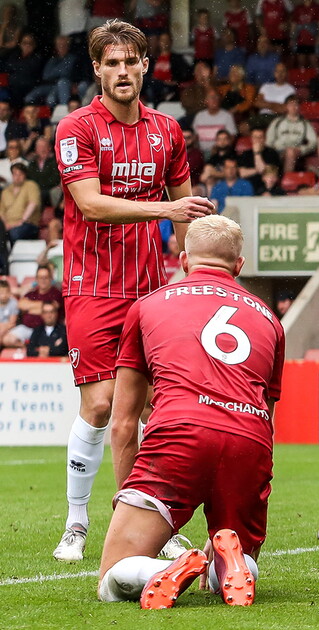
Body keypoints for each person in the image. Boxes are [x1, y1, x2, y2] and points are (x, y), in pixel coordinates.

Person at [51, 19, 216, 563]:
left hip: (150, 292)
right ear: (97, 70)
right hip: (93, 287)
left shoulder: (167, 131)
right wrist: (166, 208)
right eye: (112, 63)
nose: (122, 71)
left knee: (152, 409)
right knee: (100, 404)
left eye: (131, 62)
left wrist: (195, 276)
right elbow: (92, 205)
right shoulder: (76, 127)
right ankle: (76, 523)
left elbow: (188, 214)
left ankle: (145, 529)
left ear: (146, 66)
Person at [97, 214, 284, 609]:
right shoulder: (271, 320)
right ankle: (231, 564)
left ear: (184, 260)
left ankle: (162, 568)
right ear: (239, 265)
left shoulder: (147, 306)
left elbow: (124, 423)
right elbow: (265, 421)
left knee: (112, 577)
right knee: (234, 563)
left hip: (179, 433)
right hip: (248, 440)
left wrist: (130, 497)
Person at [2, 264, 63, 348]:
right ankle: (29, 349)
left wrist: (30, 307)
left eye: (45, 277)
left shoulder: (56, 293)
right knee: (7, 339)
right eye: (40, 277)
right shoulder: (32, 293)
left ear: (51, 278)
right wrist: (41, 307)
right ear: (36, 279)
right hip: (27, 328)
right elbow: (21, 304)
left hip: (46, 329)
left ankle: (33, 350)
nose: (43, 280)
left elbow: (51, 307)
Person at [266, 95, 318, 174]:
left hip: (295, 151)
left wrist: (302, 149)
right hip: (277, 151)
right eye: (291, 104)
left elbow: (313, 142)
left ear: (299, 107)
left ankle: (286, 178)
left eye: (296, 104)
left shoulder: (305, 123)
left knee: (290, 152)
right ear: (286, 106)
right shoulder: (277, 122)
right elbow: (269, 141)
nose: (293, 107)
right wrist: (272, 152)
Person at [0, 163, 41, 243]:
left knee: (15, 233)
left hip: (27, 224)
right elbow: (1, 211)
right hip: (8, 225)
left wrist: (21, 221)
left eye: (20, 174)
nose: (17, 177)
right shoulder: (6, 191)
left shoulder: (31, 185)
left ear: (25, 175)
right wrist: (5, 224)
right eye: (15, 174)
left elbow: (33, 204)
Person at [193, 89, 238, 154]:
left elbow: (232, 137)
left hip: (220, 152)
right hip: (201, 153)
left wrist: (221, 149)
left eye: (217, 97)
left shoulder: (227, 116)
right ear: (205, 101)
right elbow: (195, 136)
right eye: (212, 97)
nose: (214, 100)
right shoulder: (199, 116)